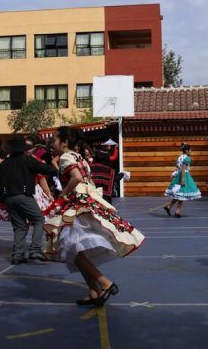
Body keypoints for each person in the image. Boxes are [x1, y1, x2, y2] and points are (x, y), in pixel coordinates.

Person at [43, 127, 145, 306]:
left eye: (54, 140)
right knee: (76, 251)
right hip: (86, 201)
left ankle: (105, 283)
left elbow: (75, 177)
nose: (52, 143)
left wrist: (63, 194)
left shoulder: (66, 157)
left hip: (77, 204)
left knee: (72, 249)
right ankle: (94, 292)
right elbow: (85, 179)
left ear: (64, 143)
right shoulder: (80, 157)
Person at [0, 137, 57, 264]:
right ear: (23, 149)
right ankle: (35, 249)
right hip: (23, 195)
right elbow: (45, 169)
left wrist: (1, 199)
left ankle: (18, 255)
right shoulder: (27, 160)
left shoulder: (4, 164)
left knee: (20, 226)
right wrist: (57, 168)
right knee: (38, 219)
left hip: (8, 198)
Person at [164, 143, 202, 217]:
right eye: (190, 150)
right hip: (184, 176)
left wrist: (175, 173)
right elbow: (183, 169)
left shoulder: (180, 157)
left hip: (179, 176)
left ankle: (169, 207)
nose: (191, 151)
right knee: (182, 195)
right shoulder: (187, 158)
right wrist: (182, 180)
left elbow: (178, 168)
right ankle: (176, 212)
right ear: (187, 150)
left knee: (179, 195)